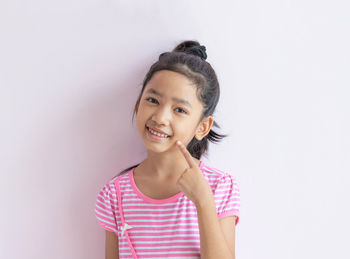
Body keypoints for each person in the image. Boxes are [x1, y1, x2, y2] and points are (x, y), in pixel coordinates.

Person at [94, 40, 241, 259]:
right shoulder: (115, 195)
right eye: (153, 100)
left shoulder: (219, 187)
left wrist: (203, 201)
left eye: (180, 110)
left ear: (202, 127)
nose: (160, 118)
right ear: (138, 105)